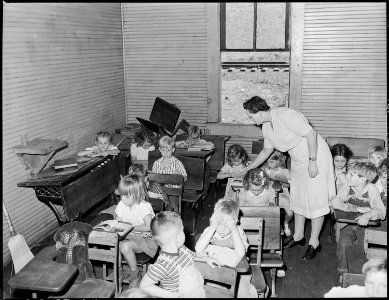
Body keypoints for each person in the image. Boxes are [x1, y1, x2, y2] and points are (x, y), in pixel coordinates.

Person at [241, 96, 336, 260]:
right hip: (298, 159)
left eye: (251, 116)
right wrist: (249, 167)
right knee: (298, 197)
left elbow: (311, 134)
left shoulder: (285, 115)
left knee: (316, 199)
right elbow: (266, 151)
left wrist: (313, 162)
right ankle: (299, 236)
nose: (251, 120)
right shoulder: (266, 126)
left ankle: (314, 243)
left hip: (316, 156)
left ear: (259, 110)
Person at [139, 211, 221, 298]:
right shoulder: (162, 264)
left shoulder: (183, 249)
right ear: (178, 238)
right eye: (182, 231)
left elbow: (193, 256)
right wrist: (171, 295)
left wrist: (206, 259)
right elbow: (144, 286)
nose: (184, 232)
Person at [195, 198, 259, 298]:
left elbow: (241, 254)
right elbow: (198, 249)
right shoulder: (211, 230)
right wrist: (212, 227)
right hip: (214, 274)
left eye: (226, 225)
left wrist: (233, 229)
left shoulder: (238, 232)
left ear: (235, 221)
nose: (221, 229)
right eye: (219, 224)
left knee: (242, 293)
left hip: (237, 273)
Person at [330, 161, 386, 273]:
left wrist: (368, 214)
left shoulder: (371, 189)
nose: (347, 176)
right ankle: (344, 272)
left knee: (363, 247)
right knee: (344, 243)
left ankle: (363, 274)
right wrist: (358, 209)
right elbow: (335, 202)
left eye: (351, 174)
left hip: (367, 227)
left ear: (363, 179)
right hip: (349, 224)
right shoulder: (347, 187)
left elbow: (381, 212)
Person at [114, 174, 159, 288]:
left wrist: (130, 227)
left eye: (127, 196)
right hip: (130, 236)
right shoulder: (122, 204)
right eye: (122, 195)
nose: (123, 199)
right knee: (113, 242)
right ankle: (118, 270)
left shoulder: (143, 206)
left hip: (146, 239)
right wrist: (113, 225)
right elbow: (118, 222)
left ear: (137, 194)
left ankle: (135, 274)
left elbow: (149, 227)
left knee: (124, 246)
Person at [262, 150, 294, 237]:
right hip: (269, 194)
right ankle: (276, 226)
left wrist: (283, 181)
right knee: (270, 211)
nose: (268, 163)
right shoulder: (265, 170)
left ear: (278, 161)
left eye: (271, 162)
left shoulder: (285, 171)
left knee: (290, 213)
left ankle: (285, 223)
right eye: (267, 161)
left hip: (282, 194)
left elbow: (289, 184)